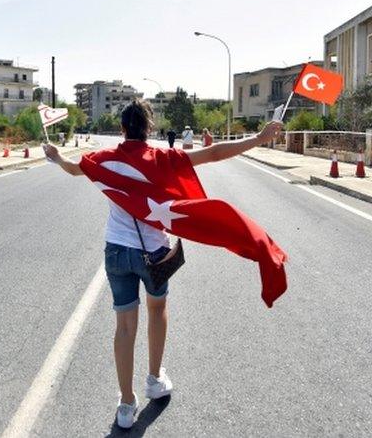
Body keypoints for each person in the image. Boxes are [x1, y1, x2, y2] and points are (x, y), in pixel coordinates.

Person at [42, 99, 283, 429]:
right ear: (150, 129)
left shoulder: (104, 158)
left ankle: (126, 404)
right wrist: (257, 138)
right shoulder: (163, 158)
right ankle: (154, 380)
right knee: (157, 310)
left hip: (116, 251)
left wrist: (55, 156)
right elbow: (213, 154)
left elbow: (73, 168)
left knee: (124, 326)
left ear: (123, 128)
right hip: (155, 253)